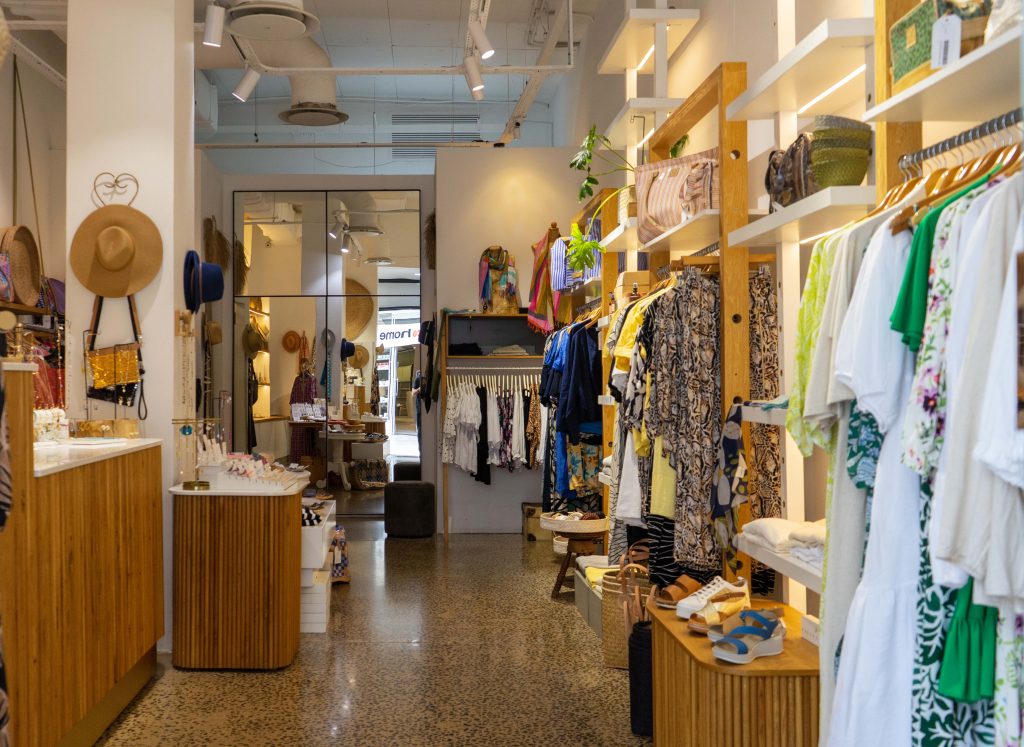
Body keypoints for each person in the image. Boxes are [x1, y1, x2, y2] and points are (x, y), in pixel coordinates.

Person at [412, 368, 423, 441]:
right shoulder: (418, 378)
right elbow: (413, 393)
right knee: (419, 428)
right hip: (419, 407)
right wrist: (419, 389)